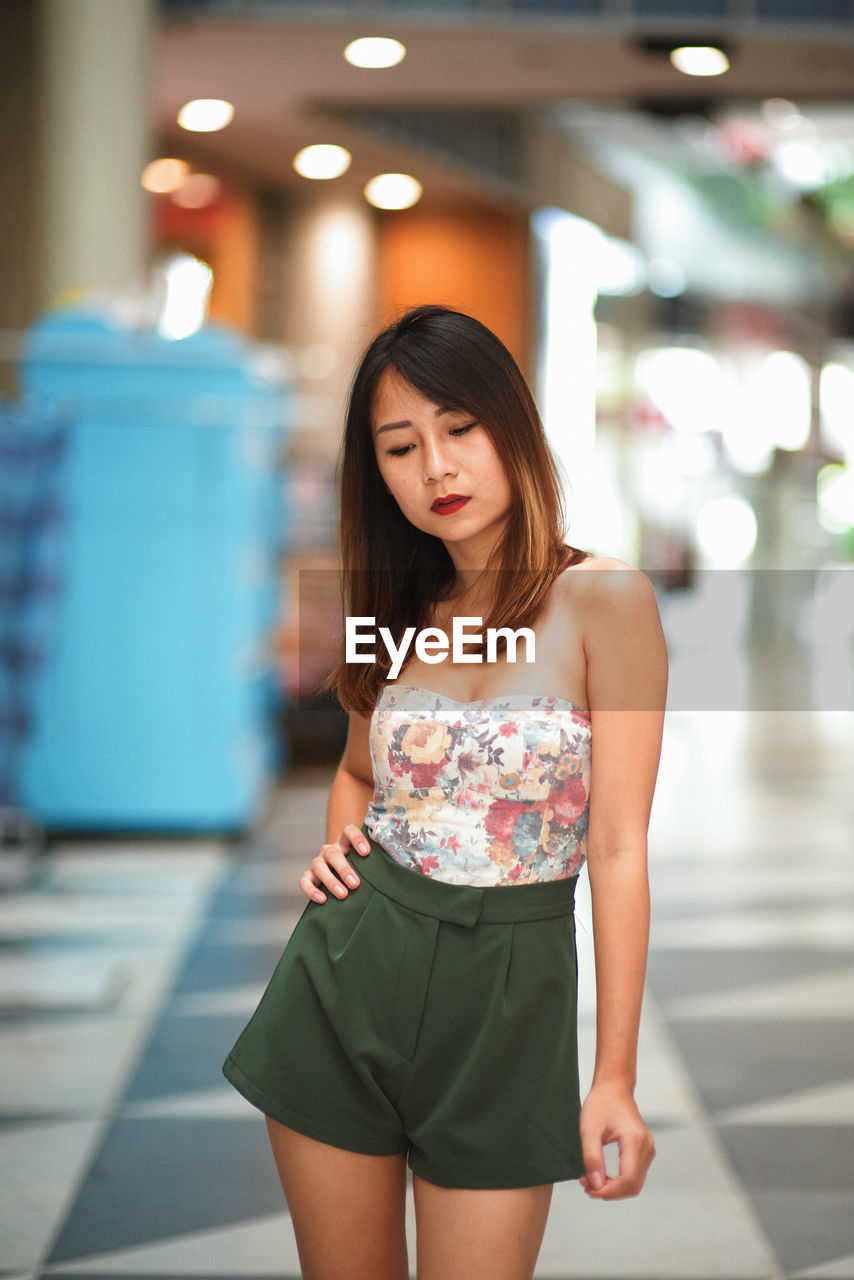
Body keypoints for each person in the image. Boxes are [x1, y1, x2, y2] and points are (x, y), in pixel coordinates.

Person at [223, 304, 668, 1280]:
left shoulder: (604, 598)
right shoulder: (391, 609)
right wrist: (343, 844)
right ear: (374, 471)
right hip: (344, 987)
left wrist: (614, 1076)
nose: (435, 466)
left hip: (508, 1002)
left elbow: (618, 848)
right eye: (399, 445)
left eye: (458, 427)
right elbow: (354, 769)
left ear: (511, 423)